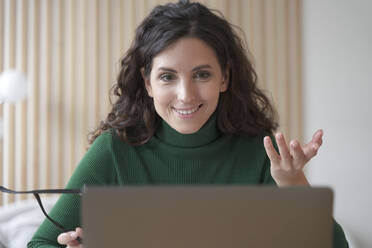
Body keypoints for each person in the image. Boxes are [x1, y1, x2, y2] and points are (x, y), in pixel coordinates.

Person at [28, 0, 348, 247]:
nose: (185, 95)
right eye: (168, 76)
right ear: (148, 83)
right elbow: (40, 243)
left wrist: (295, 188)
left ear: (224, 76)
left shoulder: (260, 154)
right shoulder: (113, 151)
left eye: (202, 74)